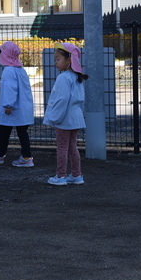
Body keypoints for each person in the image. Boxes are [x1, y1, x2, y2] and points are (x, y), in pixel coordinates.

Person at [0, 41, 35, 167]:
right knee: (22, 133)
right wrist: (0, 85)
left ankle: (0, 155)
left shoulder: (8, 70)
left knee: (4, 131)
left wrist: (8, 105)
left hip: (12, 109)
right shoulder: (20, 69)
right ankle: (26, 157)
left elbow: (11, 88)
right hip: (23, 108)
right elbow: (17, 87)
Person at [43, 43, 87, 186]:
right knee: (72, 146)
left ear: (69, 60)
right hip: (76, 118)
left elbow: (61, 100)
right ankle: (76, 175)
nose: (55, 62)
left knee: (62, 147)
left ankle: (60, 176)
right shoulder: (76, 77)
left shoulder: (63, 78)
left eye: (58, 59)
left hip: (64, 119)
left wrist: (53, 118)